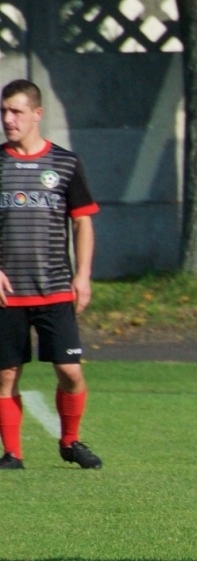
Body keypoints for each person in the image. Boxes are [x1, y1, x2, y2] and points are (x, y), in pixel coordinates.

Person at [0, 79, 102, 471]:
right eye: (4, 111)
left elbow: (83, 222)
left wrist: (84, 275)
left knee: (70, 371)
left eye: (17, 111)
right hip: (9, 294)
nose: (8, 119)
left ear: (37, 114)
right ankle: (12, 453)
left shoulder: (64, 163)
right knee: (6, 374)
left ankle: (70, 441)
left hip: (56, 287)